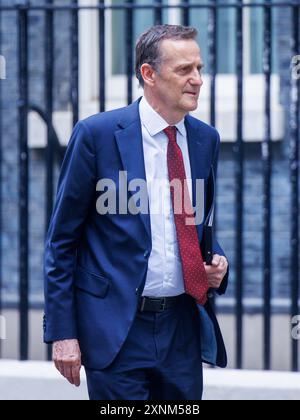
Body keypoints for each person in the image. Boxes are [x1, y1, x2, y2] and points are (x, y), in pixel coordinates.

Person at [44, 24, 229, 400]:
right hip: (117, 329)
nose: (197, 80)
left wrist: (217, 261)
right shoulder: (96, 135)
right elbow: (62, 241)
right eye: (183, 70)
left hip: (181, 328)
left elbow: (194, 222)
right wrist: (63, 333)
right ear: (148, 74)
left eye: (199, 68)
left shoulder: (205, 138)